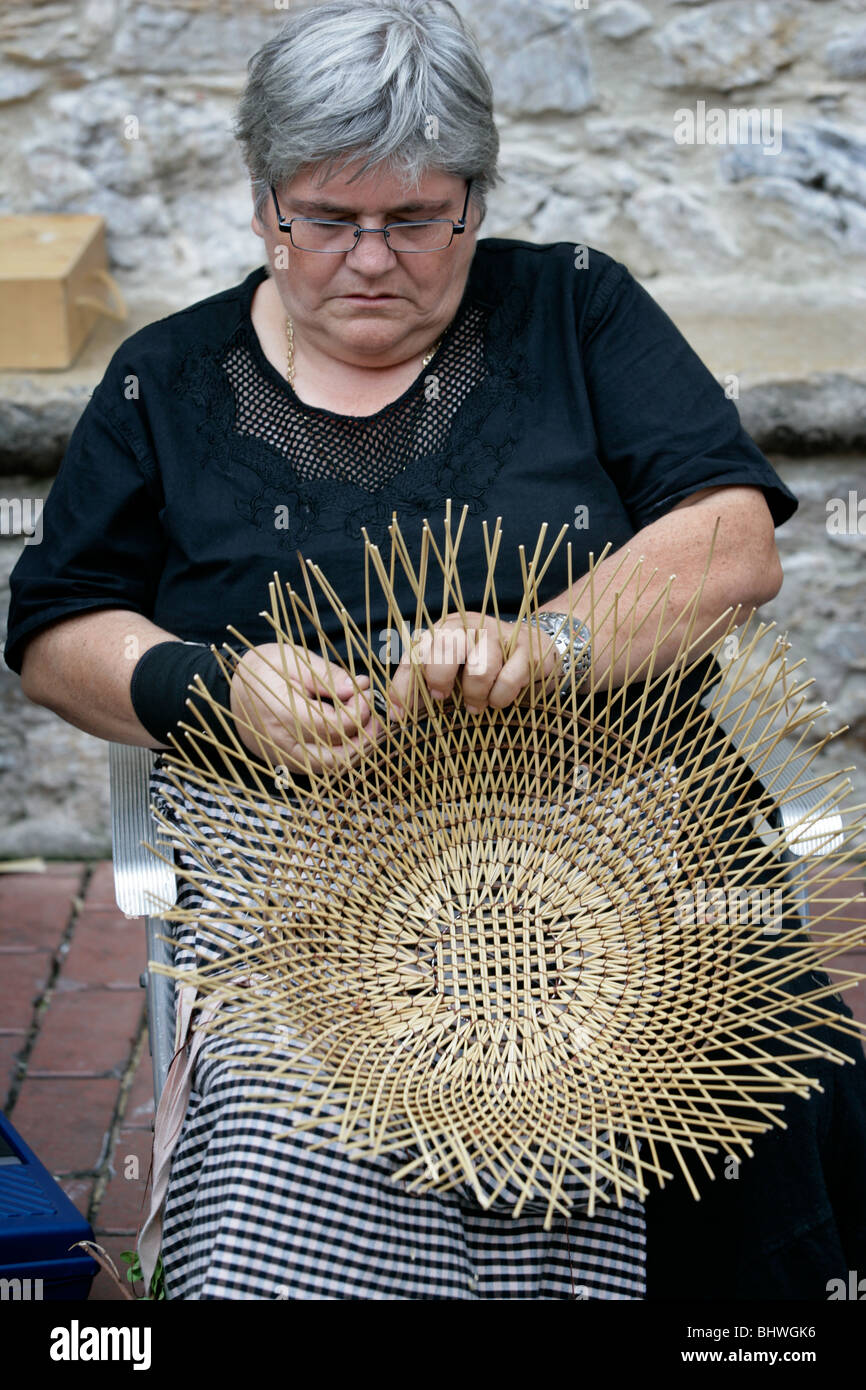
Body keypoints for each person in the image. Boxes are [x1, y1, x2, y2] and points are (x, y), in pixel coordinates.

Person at [5, 0, 864, 1300]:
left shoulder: (571, 308)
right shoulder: (169, 381)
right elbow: (55, 626)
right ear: (260, 205)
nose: (368, 258)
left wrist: (551, 640)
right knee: (301, 1179)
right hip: (311, 863)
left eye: (414, 220)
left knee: (729, 1113)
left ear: (473, 200)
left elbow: (729, 539)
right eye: (325, 218)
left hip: (623, 828)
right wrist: (212, 682)